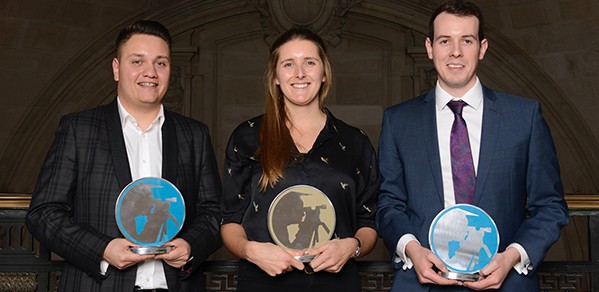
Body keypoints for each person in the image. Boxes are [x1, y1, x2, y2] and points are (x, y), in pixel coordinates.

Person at [375, 1, 569, 291]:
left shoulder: (523, 117)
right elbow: (388, 205)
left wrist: (512, 257)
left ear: (482, 48)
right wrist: (413, 251)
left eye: (466, 40)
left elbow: (551, 206)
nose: (456, 52)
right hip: (423, 282)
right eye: (445, 41)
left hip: (504, 281)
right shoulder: (398, 121)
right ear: (430, 47)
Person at [25, 20, 222, 292]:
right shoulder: (78, 129)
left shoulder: (195, 134)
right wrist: (103, 249)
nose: (150, 72)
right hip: (98, 284)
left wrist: (190, 246)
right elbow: (43, 214)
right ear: (116, 68)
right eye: (137, 61)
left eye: (160, 63)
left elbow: (213, 212)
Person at [220, 27, 380, 292]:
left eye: (309, 62)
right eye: (288, 64)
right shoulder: (247, 136)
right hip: (262, 284)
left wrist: (352, 246)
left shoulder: (355, 141)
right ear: (275, 77)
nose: (300, 73)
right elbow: (230, 220)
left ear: (324, 72)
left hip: (337, 285)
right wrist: (250, 251)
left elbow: (369, 221)